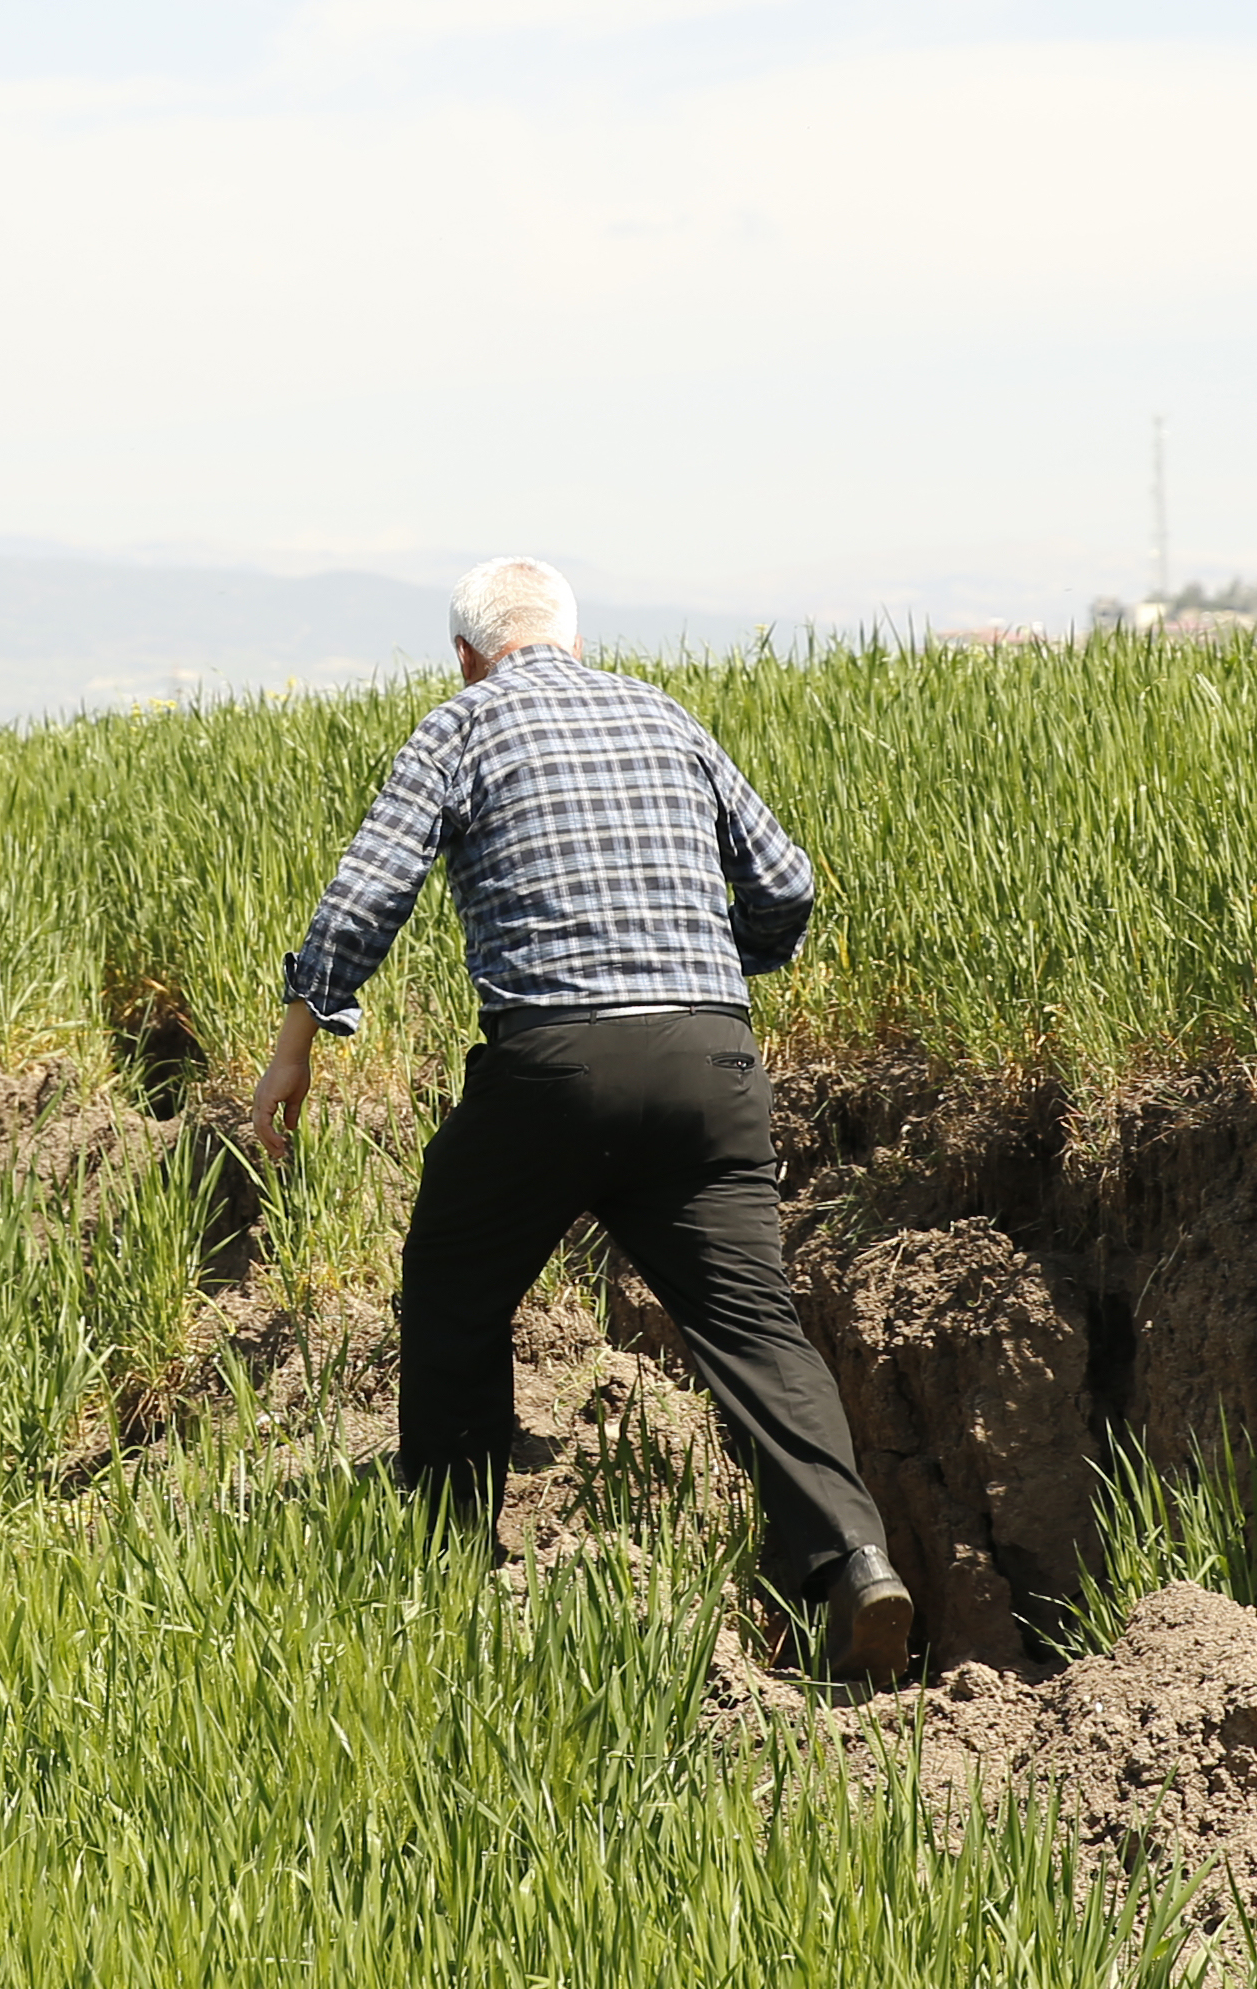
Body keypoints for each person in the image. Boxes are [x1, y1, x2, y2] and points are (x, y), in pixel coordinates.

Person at [242, 556, 915, 1678]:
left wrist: (296, 1047)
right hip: (712, 1059)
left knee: (454, 1288)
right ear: (576, 641)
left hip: (552, 1065)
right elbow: (787, 884)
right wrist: (711, 974)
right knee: (753, 1328)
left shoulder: (460, 729)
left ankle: (450, 1575)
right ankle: (853, 1559)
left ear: (465, 659)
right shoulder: (665, 716)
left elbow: (367, 896)